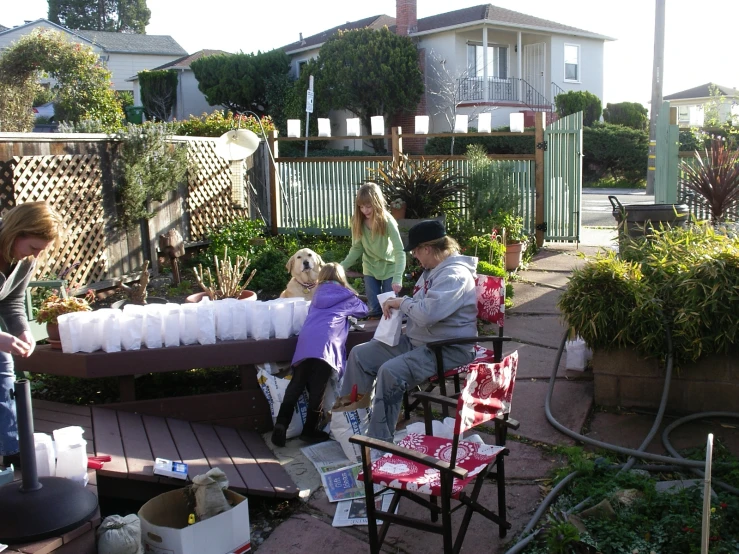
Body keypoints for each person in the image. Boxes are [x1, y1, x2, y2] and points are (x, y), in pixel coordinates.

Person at [339, 220, 478, 443]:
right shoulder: (432, 270)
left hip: (447, 349)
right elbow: (418, 305)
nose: (414, 255)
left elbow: (427, 314)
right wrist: (397, 306)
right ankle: (348, 422)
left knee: (390, 372)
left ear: (427, 248)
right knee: (360, 354)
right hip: (420, 342)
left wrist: (401, 303)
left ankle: (378, 442)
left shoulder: (454, 276)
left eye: (415, 251)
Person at [271, 263, 368, 447]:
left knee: (297, 384)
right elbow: (363, 310)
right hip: (326, 344)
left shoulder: (316, 294)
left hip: (306, 341)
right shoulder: (347, 295)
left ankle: (281, 424)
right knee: (318, 389)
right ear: (341, 278)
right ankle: (309, 431)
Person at [0, 202, 64, 468]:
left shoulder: (23, 262)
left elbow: (11, 302)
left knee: (4, 366)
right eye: (33, 248)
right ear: (16, 233)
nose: (35, 256)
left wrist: (23, 331)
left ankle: (12, 452)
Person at [340, 183, 405, 319]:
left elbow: (399, 250)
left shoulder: (388, 221)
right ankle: (374, 336)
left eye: (368, 206)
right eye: (361, 206)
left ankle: (391, 337)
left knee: (391, 307)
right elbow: (357, 248)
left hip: (389, 267)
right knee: (374, 309)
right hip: (370, 267)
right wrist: (340, 268)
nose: (365, 210)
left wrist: (398, 277)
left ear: (377, 203)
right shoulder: (357, 221)